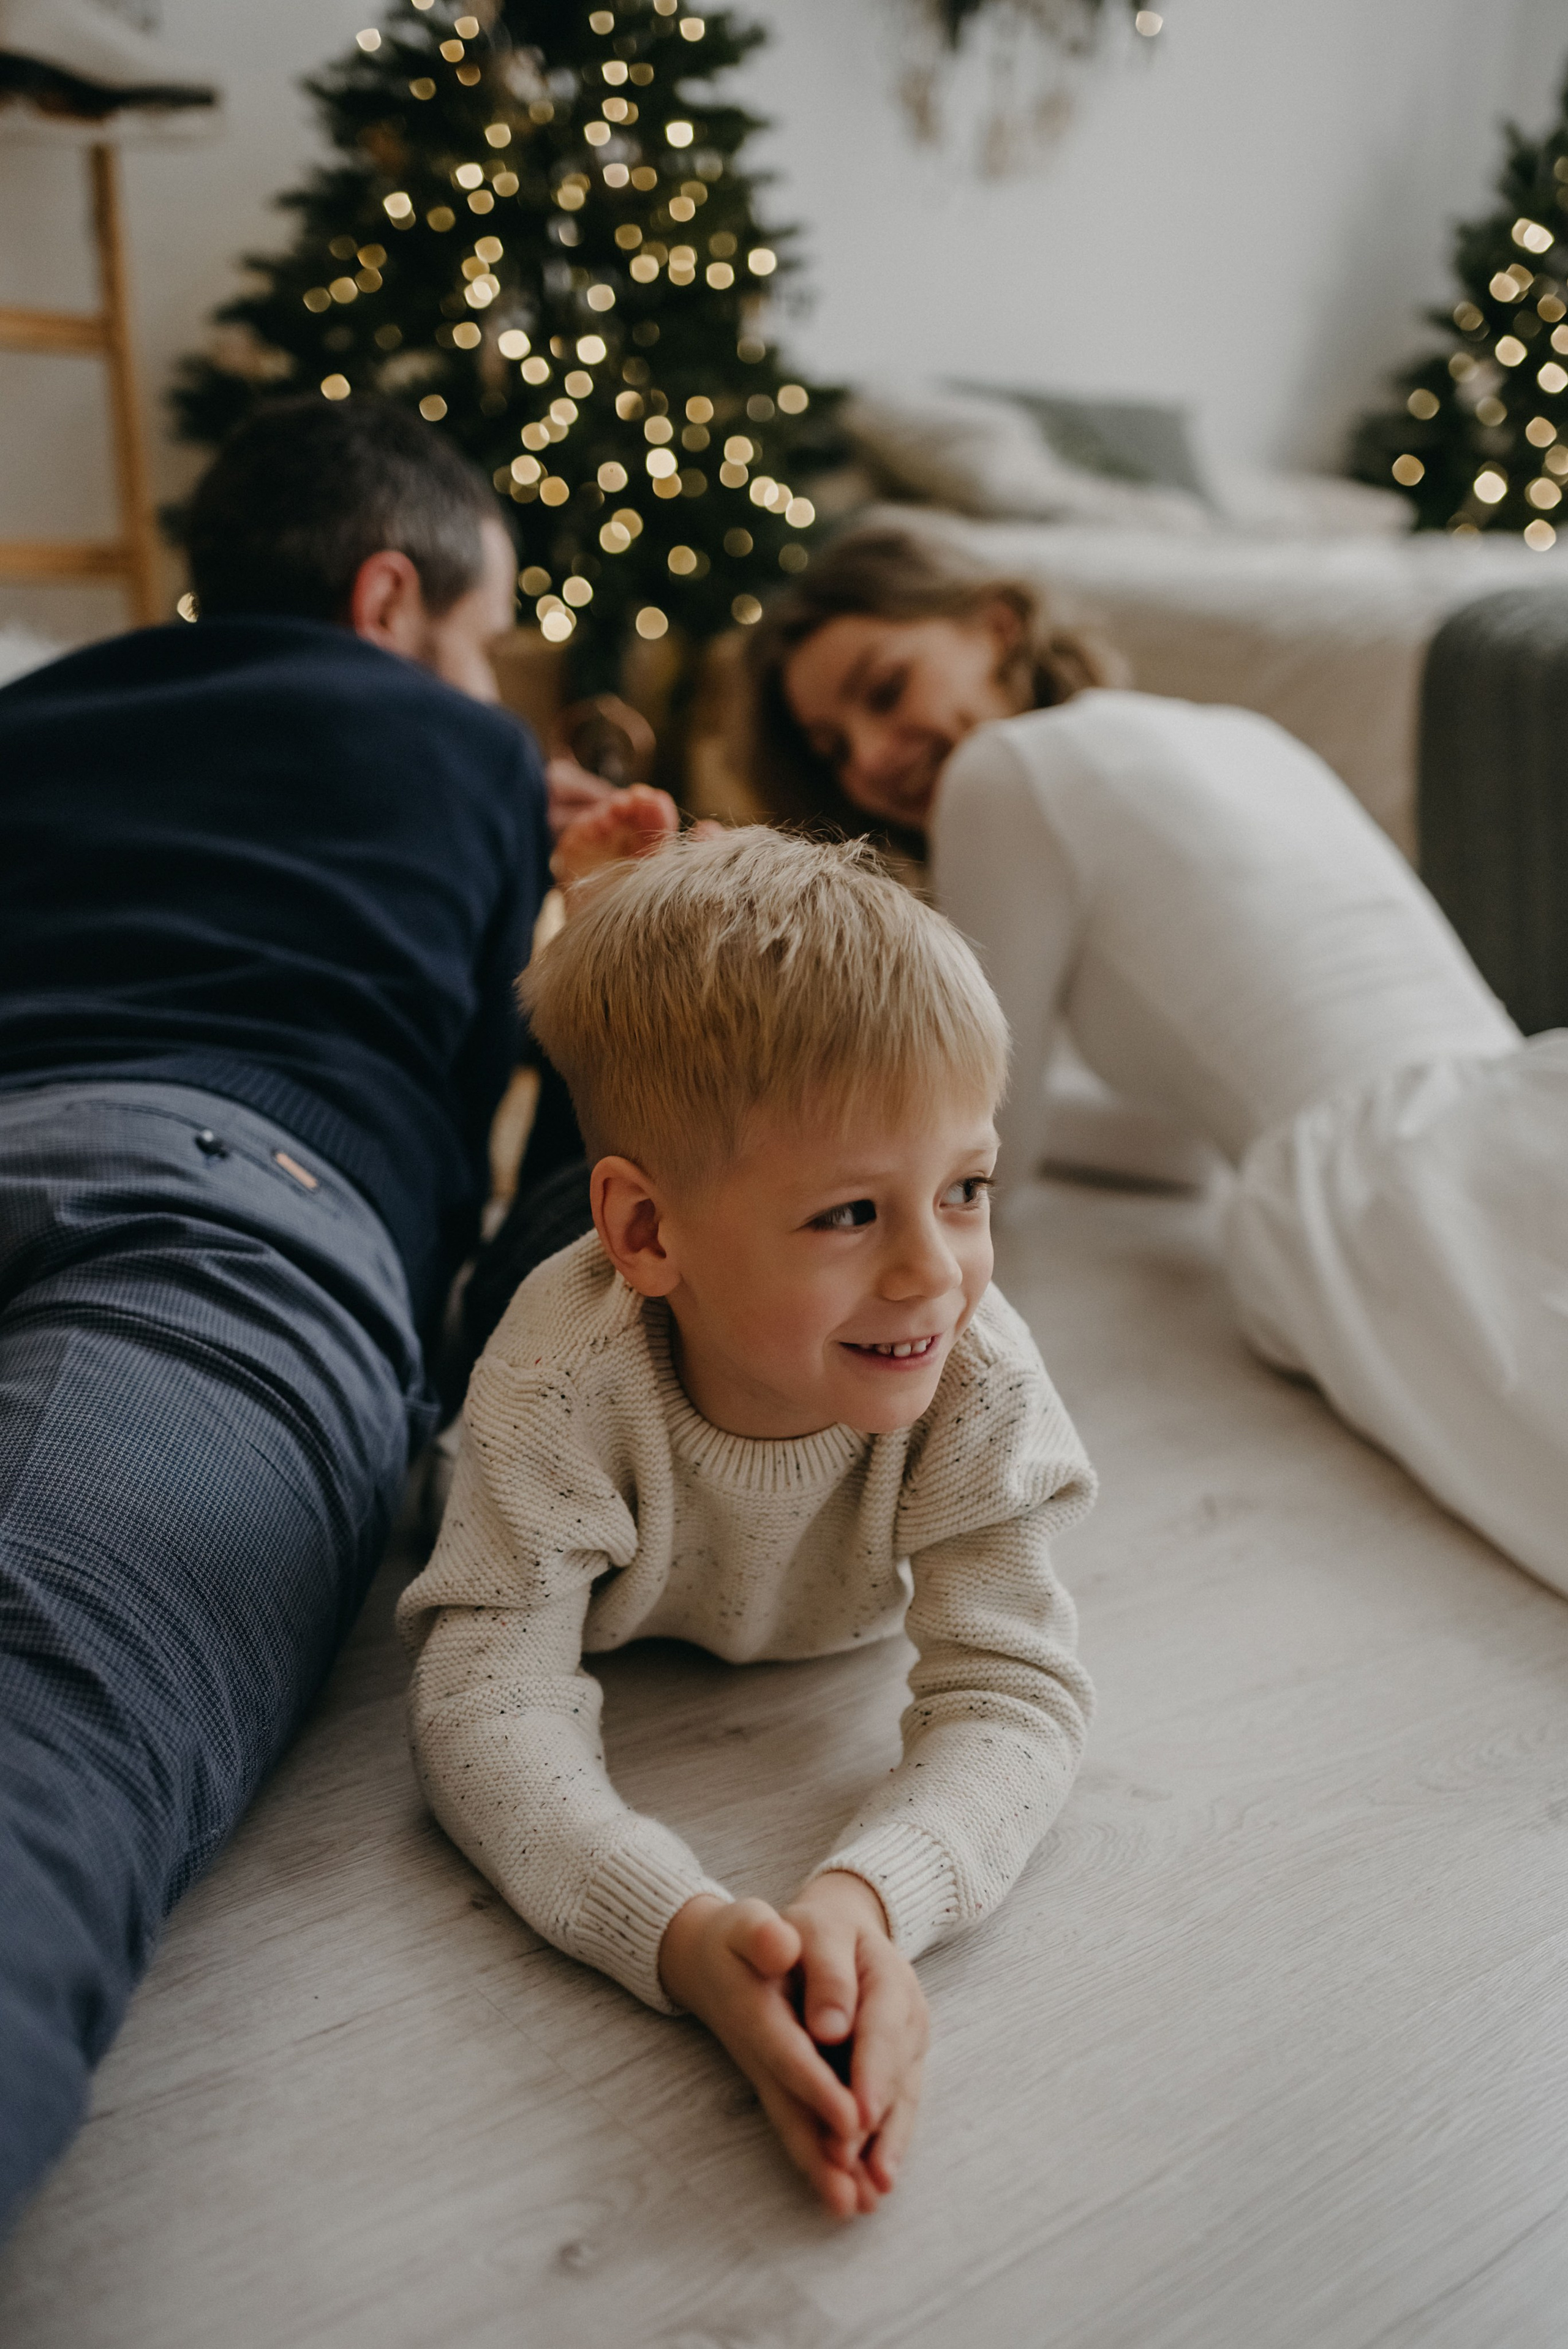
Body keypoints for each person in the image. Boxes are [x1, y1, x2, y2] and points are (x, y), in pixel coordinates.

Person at [0, 395, 557, 2234]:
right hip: (231, 1204)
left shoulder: (32, 707)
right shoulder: (466, 755)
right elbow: (481, 1213)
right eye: (484, 643)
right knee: (40, 1712)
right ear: (391, 597)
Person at [397, 828, 1096, 2217]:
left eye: (965, 1189)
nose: (931, 1274)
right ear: (650, 1234)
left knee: (643, 1129)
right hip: (584, 1284)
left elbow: (1014, 1692)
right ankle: (599, 953)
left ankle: (620, 933)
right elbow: (481, 1702)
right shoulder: (550, 1383)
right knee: (532, 1209)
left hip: (685, 1255)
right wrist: (679, 1928)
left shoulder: (972, 1364)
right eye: (851, 1210)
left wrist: (865, 1904)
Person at [739, 519, 1568, 1596]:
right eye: (835, 746)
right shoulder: (1230, 728)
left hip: (1387, 1191)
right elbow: (1181, 1151)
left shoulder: (1004, 770)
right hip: (1511, 1096)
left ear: (996, 628)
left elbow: (991, 1159)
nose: (872, 756)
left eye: (886, 690)